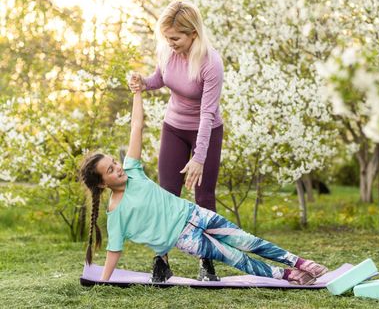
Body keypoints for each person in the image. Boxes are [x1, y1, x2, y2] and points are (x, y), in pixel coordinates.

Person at [79, 91, 328, 285]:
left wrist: (137, 93)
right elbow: (114, 250)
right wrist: (103, 281)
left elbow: (136, 126)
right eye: (110, 170)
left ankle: (301, 263)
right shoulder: (116, 213)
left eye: (114, 162)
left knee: (247, 241)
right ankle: (287, 275)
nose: (117, 168)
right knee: (235, 258)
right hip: (185, 238)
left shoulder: (132, 170)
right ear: (102, 184)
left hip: (195, 213)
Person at [128, 0, 224, 281]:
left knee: (204, 196)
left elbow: (207, 114)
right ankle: (161, 261)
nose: (169, 43)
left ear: (193, 33)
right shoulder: (168, 52)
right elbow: (160, 78)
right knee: (167, 195)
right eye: (166, 37)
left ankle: (207, 262)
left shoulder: (210, 63)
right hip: (174, 128)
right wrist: (143, 82)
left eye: (175, 38)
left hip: (206, 132)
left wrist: (199, 157)